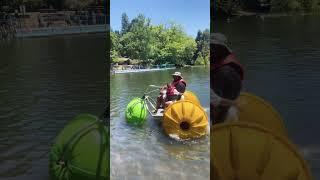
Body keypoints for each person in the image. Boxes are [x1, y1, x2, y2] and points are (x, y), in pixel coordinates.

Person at [211, 33, 244, 125]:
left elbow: (216, 101)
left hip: (223, 116)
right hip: (230, 108)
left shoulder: (224, 73)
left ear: (222, 50)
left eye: (213, 47)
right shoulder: (225, 67)